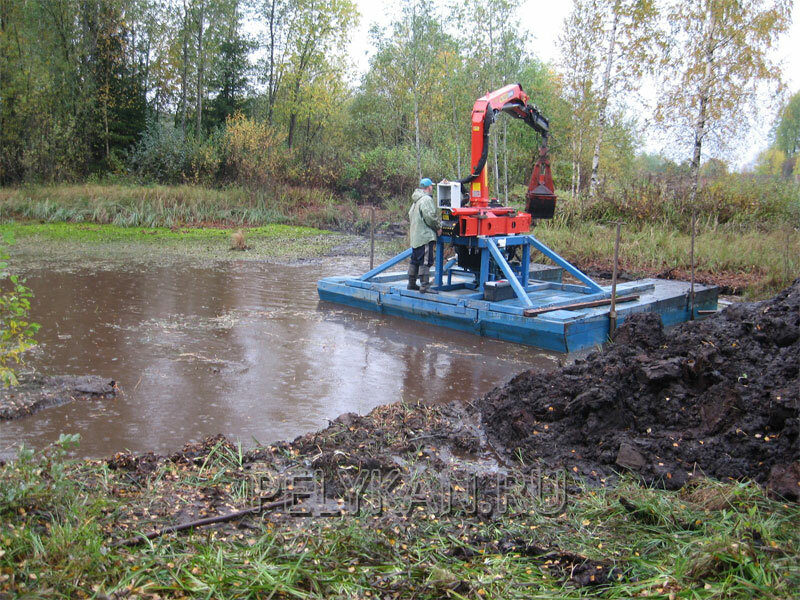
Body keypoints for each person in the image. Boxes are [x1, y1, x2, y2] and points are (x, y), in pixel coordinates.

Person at [408, 177, 441, 293]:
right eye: (432, 186)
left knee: (414, 260)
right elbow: (430, 217)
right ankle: (425, 286)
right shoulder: (426, 199)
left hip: (415, 236)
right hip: (425, 236)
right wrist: (438, 227)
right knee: (425, 261)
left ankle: (411, 283)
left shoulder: (416, 199)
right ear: (429, 187)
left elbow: (410, 214)